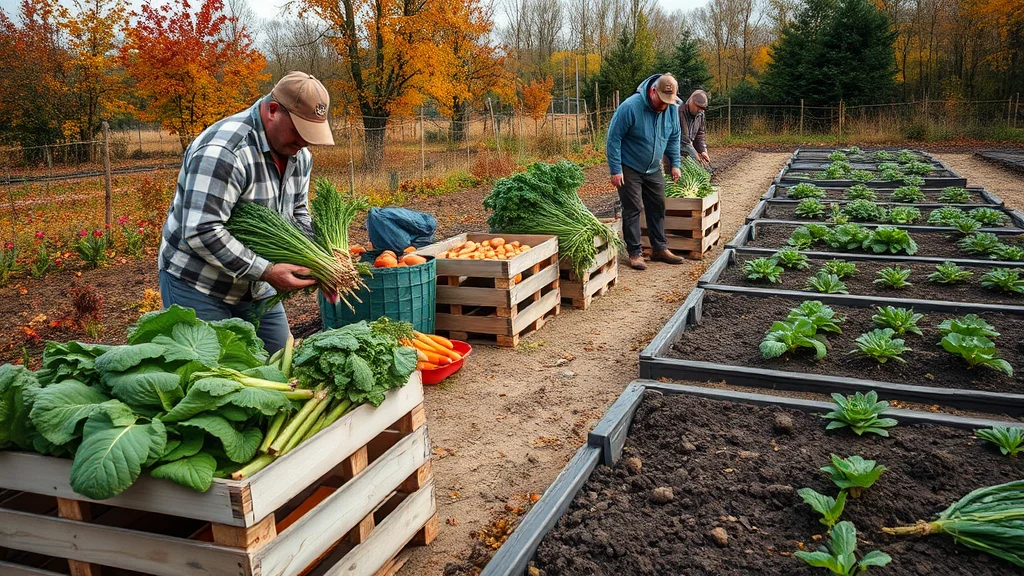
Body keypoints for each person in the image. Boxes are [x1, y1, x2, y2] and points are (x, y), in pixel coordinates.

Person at [158, 71, 335, 353]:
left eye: (310, 134)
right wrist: (266, 270)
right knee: (213, 378)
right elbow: (202, 230)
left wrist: (321, 263)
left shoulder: (299, 154)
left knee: (282, 362)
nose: (304, 142)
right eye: (299, 131)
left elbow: (297, 211)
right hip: (199, 283)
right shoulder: (224, 151)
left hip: (256, 286)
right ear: (272, 110)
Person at [606, 73, 685, 270]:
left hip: (653, 167)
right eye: (662, 100)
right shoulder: (630, 107)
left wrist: (675, 163)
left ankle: (659, 248)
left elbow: (674, 136)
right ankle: (635, 253)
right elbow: (613, 138)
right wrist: (616, 169)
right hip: (629, 166)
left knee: (658, 205)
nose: (665, 105)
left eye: (669, 100)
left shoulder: (671, 109)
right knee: (633, 207)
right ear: (652, 91)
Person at [680, 89, 710, 168]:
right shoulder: (678, 112)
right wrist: (694, 153)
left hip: (688, 150)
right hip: (674, 153)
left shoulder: (700, 114)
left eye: (703, 108)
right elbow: (681, 139)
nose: (700, 110)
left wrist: (702, 150)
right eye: (698, 107)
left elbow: (700, 135)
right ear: (691, 102)